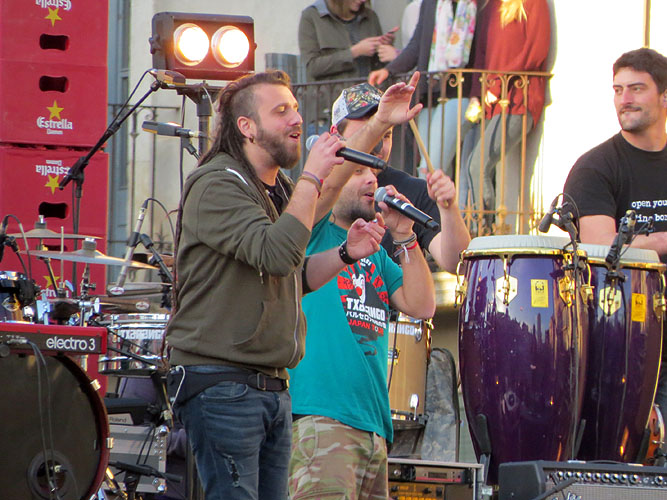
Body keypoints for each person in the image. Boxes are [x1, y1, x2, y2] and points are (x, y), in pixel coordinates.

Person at [165, 70, 394, 500]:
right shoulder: (217, 183)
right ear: (247, 127)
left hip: (270, 385)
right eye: (281, 110)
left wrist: (345, 253)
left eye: (296, 108)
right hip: (223, 382)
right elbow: (277, 253)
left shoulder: (273, 191)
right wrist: (311, 178)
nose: (296, 119)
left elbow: (292, 276)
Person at [287, 78, 440, 500]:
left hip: (373, 426)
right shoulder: (311, 230)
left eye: (373, 172)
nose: (370, 180)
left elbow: (422, 305)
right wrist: (380, 123)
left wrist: (406, 236)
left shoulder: (373, 249)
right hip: (322, 418)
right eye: (358, 172)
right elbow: (329, 178)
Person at [563, 47, 667, 423]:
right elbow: (598, 247)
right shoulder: (595, 167)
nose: (624, 99)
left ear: (664, 96)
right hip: (625, 339)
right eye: (618, 90)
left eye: (637, 89)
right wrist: (660, 242)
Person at [330, 81, 470, 272]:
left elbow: (458, 264)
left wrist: (449, 208)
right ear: (335, 134)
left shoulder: (414, 191)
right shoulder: (321, 189)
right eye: (368, 132)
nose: (377, 145)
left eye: (385, 135)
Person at [461, 0, 550, 228]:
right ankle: (487, 229)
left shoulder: (533, 3)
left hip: (519, 98)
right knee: (479, 167)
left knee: (476, 166)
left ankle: (484, 230)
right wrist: (477, 94)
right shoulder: (491, 6)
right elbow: (481, 56)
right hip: (495, 100)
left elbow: (537, 51)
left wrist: (498, 85)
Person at [369, 0, 478, 180]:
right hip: (429, 92)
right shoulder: (431, 3)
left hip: (459, 90)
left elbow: (483, 48)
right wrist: (388, 70)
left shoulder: (476, 4)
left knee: (432, 166)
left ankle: (430, 198)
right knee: (428, 168)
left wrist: (477, 93)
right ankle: (435, 199)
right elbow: (416, 45)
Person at [298, 0, 395, 82]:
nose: (363, 0)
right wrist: (354, 52)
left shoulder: (370, 16)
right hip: (331, 95)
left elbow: (379, 69)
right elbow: (313, 68)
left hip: (368, 94)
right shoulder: (312, 16)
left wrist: (383, 47)